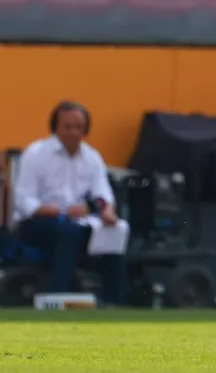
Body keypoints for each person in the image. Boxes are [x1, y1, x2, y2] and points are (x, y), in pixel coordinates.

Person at [11, 101, 128, 305]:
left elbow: (102, 193)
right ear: (55, 127)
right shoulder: (36, 153)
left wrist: (107, 211)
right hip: (38, 222)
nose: (74, 132)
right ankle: (58, 297)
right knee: (69, 231)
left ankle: (113, 301)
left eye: (79, 127)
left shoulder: (92, 157)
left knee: (115, 230)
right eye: (68, 126)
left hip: (79, 221)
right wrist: (62, 211)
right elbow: (24, 201)